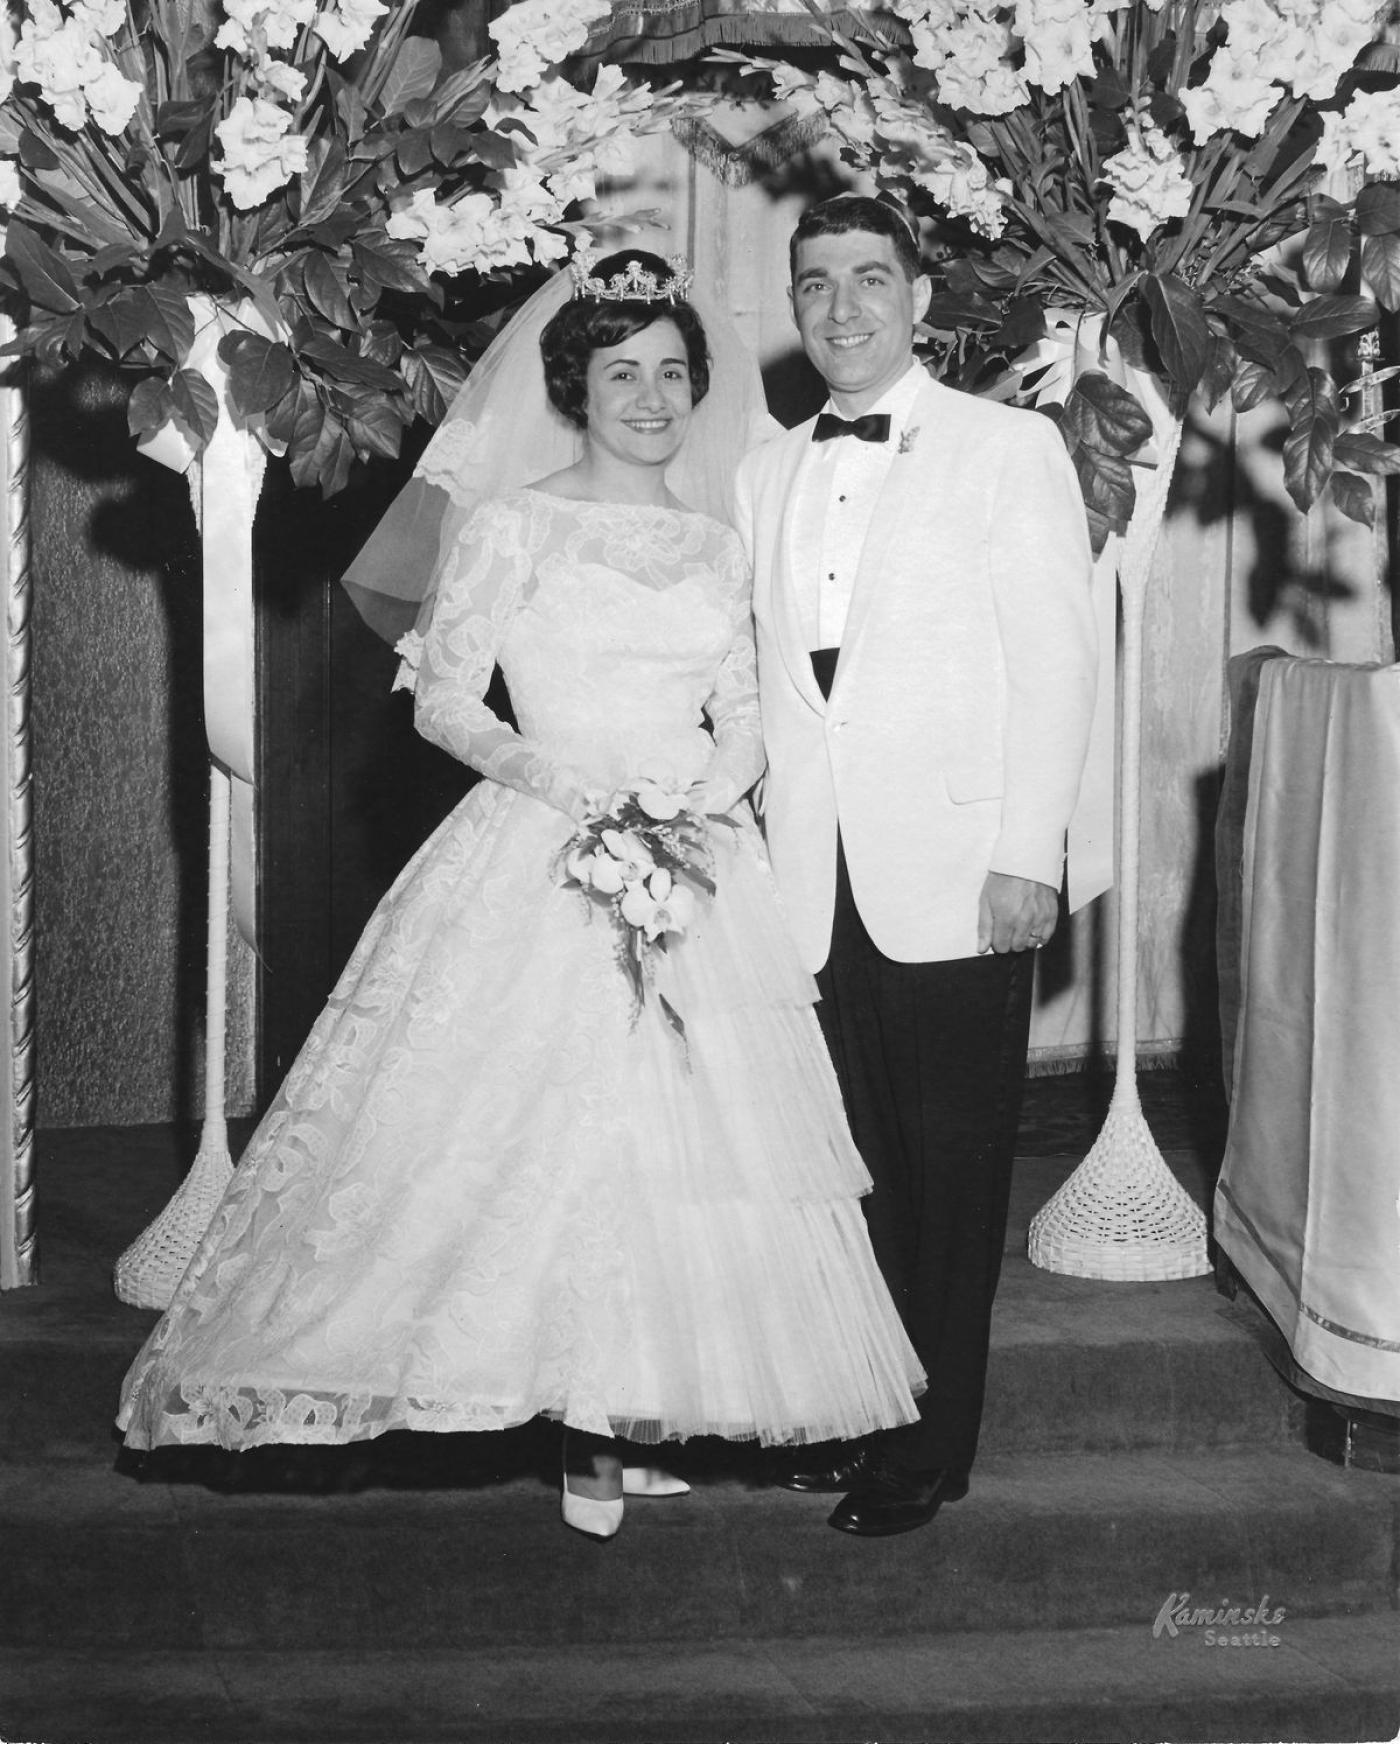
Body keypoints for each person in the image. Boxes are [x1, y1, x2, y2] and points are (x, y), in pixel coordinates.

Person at [117, 248, 925, 1540]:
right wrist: (566, 781)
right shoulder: (514, 524)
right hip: (542, 841)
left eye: (672, 374)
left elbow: (748, 711)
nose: (651, 398)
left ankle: (632, 1416)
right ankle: (560, 1421)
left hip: (691, 859)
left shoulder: (723, 544)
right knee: (524, 1143)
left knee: (684, 1150)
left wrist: (700, 797)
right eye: (623, 375)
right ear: (576, 386)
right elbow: (444, 698)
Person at [734, 195, 1098, 1538]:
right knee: (854, 1175)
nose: (843, 309)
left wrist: (1028, 852)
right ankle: (865, 1413)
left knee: (952, 1185)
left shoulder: (1008, 449)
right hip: (809, 887)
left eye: (869, 281)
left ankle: (931, 1450)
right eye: (817, 284)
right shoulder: (762, 472)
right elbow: (771, 700)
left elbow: (1060, 664)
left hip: (959, 873)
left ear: (921, 297)